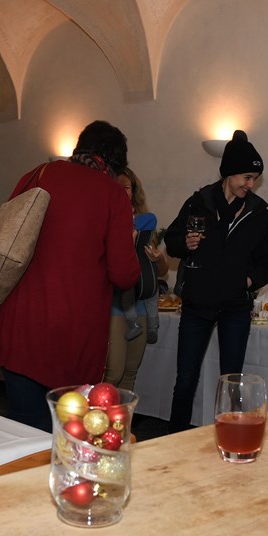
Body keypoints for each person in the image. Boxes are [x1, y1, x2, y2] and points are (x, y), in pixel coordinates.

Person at [0, 120, 139, 430]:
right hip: (69, 333)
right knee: (64, 432)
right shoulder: (112, 194)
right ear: (115, 163)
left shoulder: (37, 175)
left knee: (22, 430)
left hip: (18, 322)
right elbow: (124, 274)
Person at [164, 130, 268, 433]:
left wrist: (250, 280)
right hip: (197, 306)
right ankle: (175, 440)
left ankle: (231, 440)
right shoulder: (198, 203)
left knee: (232, 381)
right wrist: (184, 243)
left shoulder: (258, 213)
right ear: (229, 173)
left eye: (255, 178)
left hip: (235, 308)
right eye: (247, 177)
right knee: (185, 379)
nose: (251, 184)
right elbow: (172, 240)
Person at [105, 168, 167, 392]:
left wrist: (159, 259)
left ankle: (121, 415)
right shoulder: (105, 221)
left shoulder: (144, 225)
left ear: (134, 192)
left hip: (140, 306)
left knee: (130, 371)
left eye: (126, 187)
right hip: (114, 307)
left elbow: (160, 272)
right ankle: (98, 413)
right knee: (114, 373)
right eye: (117, 187)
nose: (121, 192)